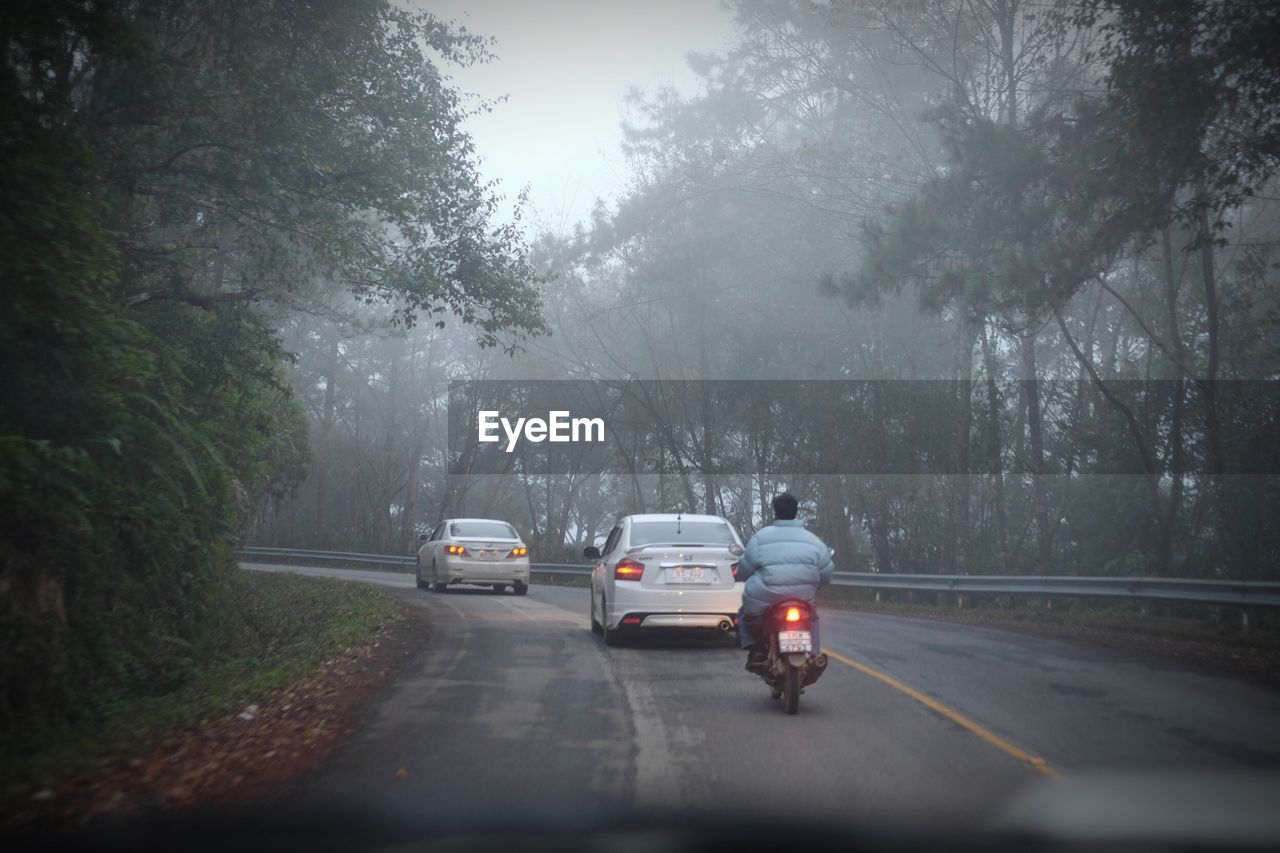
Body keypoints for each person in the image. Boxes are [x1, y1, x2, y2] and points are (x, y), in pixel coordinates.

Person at [735, 492, 834, 671]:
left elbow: (744, 569)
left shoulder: (760, 538)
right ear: (796, 512)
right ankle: (814, 653)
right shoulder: (814, 541)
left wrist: (741, 575)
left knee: (744, 614)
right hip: (802, 598)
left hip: (766, 598)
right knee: (812, 619)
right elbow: (826, 573)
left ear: (775, 512)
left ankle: (756, 649)